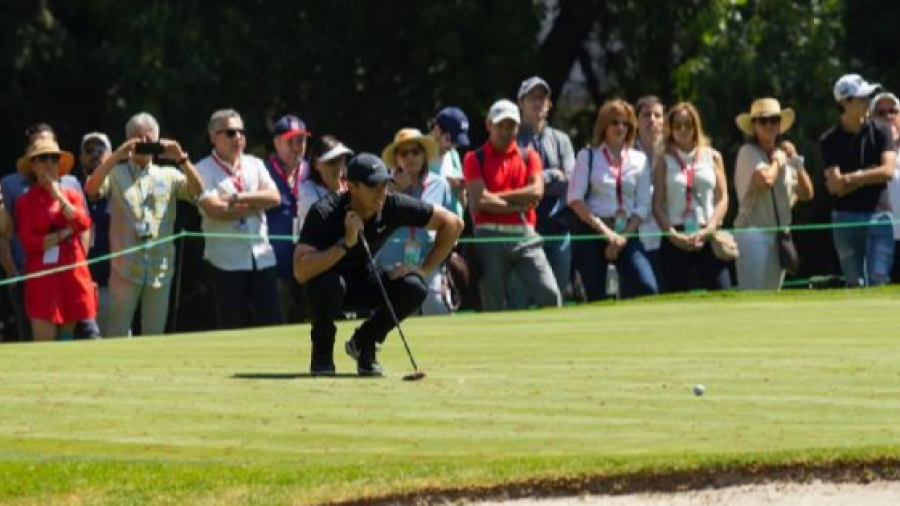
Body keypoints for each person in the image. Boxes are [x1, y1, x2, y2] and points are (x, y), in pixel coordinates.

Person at [294, 153, 463, 376]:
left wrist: (423, 269)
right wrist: (345, 243)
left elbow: (453, 224)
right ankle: (322, 355)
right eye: (373, 185)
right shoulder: (325, 211)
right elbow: (300, 270)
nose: (381, 192)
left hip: (364, 282)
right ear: (352, 186)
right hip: (327, 287)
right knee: (328, 283)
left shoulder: (391, 205)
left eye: (385, 184)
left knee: (414, 286)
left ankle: (365, 342)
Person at [85, 113, 202, 338]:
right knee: (117, 334)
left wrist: (181, 158)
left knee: (154, 335)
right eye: (138, 139)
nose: (145, 144)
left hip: (160, 269)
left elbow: (198, 191)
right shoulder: (116, 174)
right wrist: (117, 155)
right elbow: (91, 189)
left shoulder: (168, 174)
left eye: (150, 139)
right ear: (128, 140)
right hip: (125, 270)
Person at [463, 99, 562, 311]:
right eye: (501, 125)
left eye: (511, 126)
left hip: (525, 235)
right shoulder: (474, 158)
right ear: (489, 125)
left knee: (550, 295)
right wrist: (518, 206)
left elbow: (536, 191)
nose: (506, 131)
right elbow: (480, 201)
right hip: (488, 237)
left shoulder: (529, 156)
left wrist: (496, 198)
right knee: (492, 305)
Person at [195, 109, 283, 329]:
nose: (239, 138)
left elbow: (274, 198)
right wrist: (255, 206)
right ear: (214, 136)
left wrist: (237, 198)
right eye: (231, 132)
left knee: (273, 323)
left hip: (262, 256)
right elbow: (214, 210)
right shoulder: (201, 170)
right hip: (225, 262)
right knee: (232, 327)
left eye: (242, 132)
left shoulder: (255, 164)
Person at [1, 123, 89, 341]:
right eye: (42, 158)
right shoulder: (24, 202)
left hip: (72, 276)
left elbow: (83, 224)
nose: (49, 163)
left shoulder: (71, 192)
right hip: (42, 281)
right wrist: (63, 234)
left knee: (67, 343)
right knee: (43, 346)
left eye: (53, 157)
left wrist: (59, 196)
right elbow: (30, 243)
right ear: (33, 164)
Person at [567, 99, 658, 301]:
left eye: (625, 123)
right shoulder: (588, 156)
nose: (620, 128)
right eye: (615, 122)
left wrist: (622, 236)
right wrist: (607, 233)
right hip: (593, 231)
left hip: (626, 231)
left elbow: (643, 204)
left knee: (647, 285)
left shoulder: (639, 160)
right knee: (597, 296)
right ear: (604, 126)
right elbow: (575, 199)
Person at [820, 74, 896, 287]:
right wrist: (871, 173)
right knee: (855, 282)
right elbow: (836, 187)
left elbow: (888, 171)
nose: (868, 101)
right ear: (845, 102)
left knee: (879, 278)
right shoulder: (829, 140)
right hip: (845, 217)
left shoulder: (881, 130)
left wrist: (852, 178)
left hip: (879, 214)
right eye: (862, 97)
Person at [733, 98, 814, 290]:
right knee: (753, 294)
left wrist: (795, 161)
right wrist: (778, 161)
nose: (769, 125)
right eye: (763, 121)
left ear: (780, 124)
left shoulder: (784, 156)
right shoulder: (748, 152)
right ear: (754, 125)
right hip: (754, 233)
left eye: (774, 120)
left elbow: (807, 193)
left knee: (773, 294)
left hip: (780, 236)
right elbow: (766, 179)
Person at [653, 102, 731, 293]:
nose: (683, 129)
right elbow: (657, 204)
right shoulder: (664, 159)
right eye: (677, 125)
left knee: (723, 292)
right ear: (670, 129)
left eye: (688, 124)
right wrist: (672, 236)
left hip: (708, 233)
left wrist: (710, 228)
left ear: (696, 127)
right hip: (677, 235)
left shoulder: (712, 156)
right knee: (676, 297)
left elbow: (723, 197)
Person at [380, 128, 454, 315]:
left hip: (427, 261)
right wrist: (392, 192)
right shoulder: (382, 188)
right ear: (397, 159)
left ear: (423, 155)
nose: (410, 157)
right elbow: (373, 223)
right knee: (397, 318)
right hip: (392, 264)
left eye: (415, 152)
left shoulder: (440, 185)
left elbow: (450, 226)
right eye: (404, 153)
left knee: (437, 307)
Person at [516, 76, 576, 299]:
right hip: (523, 229)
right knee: (519, 298)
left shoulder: (562, 140)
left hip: (558, 226)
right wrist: (552, 175)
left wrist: (533, 181)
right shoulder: (511, 140)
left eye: (542, 98)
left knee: (557, 295)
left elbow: (569, 182)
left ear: (549, 105)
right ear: (520, 103)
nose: (537, 102)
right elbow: (514, 182)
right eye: (531, 97)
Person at [265, 114, 311, 323]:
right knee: (278, 324)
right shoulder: (262, 172)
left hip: (309, 263)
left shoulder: (313, 171)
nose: (296, 146)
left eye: (301, 140)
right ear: (276, 143)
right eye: (290, 140)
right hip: (275, 266)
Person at [77, 132, 113, 335]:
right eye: (89, 151)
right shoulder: (71, 188)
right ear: (81, 157)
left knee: (117, 343)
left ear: (111, 155)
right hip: (79, 284)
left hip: (111, 283)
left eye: (101, 150)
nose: (95, 155)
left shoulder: (119, 188)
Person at [632, 96, 667, 293]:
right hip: (636, 236)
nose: (652, 120)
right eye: (646, 115)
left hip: (668, 238)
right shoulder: (625, 152)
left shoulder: (673, 153)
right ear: (636, 121)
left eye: (657, 115)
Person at [869, 92, 900, 283]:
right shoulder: (867, 151)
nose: (888, 116)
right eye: (881, 113)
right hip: (878, 238)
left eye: (893, 111)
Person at [428, 107, 470, 218]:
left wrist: (460, 192)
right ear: (437, 130)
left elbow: (463, 205)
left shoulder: (453, 156)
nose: (452, 146)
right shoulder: (416, 154)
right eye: (449, 139)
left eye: (456, 142)